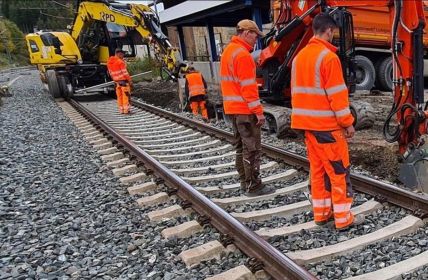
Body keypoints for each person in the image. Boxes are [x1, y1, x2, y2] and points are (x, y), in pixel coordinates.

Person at [290, 13, 364, 230]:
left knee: (319, 171)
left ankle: (321, 214)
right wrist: (347, 122)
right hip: (328, 128)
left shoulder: (299, 58)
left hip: (308, 127)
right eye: (333, 33)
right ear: (329, 31)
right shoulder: (328, 58)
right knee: (339, 172)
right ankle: (343, 219)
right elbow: (337, 96)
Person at [220, 19, 275, 196]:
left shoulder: (228, 52)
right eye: (254, 35)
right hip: (245, 110)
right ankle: (254, 186)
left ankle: (245, 183)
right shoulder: (243, 55)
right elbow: (249, 88)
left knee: (240, 148)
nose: (256, 39)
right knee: (252, 149)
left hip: (233, 109)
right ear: (245, 33)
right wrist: (258, 112)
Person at [107, 48, 133, 114]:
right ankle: (126, 110)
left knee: (119, 96)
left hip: (117, 82)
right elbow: (125, 73)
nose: (123, 56)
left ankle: (121, 110)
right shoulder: (120, 62)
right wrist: (130, 80)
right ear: (118, 53)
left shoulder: (109, 62)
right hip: (124, 82)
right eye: (122, 54)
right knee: (126, 96)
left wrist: (115, 79)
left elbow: (110, 73)